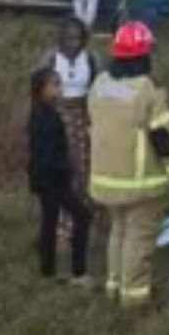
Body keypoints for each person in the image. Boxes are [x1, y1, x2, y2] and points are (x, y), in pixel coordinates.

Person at [88, 22, 169, 308]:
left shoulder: (100, 84)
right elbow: (164, 140)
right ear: (145, 54)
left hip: (105, 179)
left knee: (118, 232)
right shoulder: (148, 89)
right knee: (139, 239)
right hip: (141, 184)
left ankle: (114, 286)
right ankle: (134, 300)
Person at [36, 17, 102, 235]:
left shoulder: (91, 59)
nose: (74, 43)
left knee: (83, 168)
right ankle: (60, 222)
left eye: (79, 38)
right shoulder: (51, 59)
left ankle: (83, 216)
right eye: (70, 38)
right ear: (61, 39)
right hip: (57, 116)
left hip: (83, 117)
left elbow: (98, 86)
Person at [27, 68, 92, 285]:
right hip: (53, 180)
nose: (59, 88)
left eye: (59, 83)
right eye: (54, 84)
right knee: (82, 216)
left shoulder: (45, 112)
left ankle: (48, 272)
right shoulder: (44, 117)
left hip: (48, 179)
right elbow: (46, 153)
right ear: (41, 89)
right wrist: (65, 171)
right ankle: (78, 272)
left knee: (50, 222)